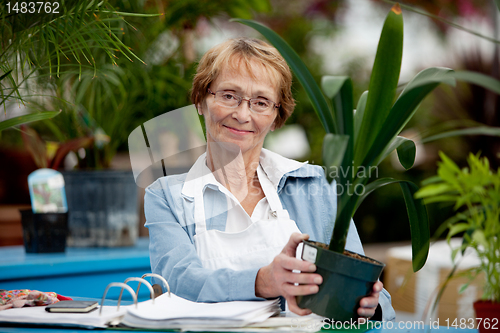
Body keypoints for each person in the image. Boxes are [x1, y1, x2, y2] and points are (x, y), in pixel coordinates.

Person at [145, 37, 396, 321]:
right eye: (228, 95)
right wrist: (263, 281)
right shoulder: (166, 196)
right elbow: (179, 282)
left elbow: (381, 304)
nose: (242, 114)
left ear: (277, 117)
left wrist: (366, 305)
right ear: (201, 101)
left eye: (261, 102)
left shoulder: (317, 187)